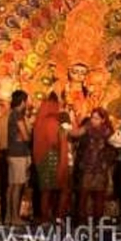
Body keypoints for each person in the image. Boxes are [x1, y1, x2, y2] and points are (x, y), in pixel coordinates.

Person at [32, 93, 71, 223]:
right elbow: (56, 141)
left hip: (41, 159)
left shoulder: (39, 121)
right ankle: (58, 217)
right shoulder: (53, 122)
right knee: (63, 189)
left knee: (46, 191)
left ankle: (45, 218)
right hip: (53, 157)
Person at [6, 90, 31, 225]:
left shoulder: (12, 114)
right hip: (19, 154)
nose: (27, 104)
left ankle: (9, 216)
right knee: (17, 186)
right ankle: (15, 217)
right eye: (26, 101)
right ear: (22, 102)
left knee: (12, 186)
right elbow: (25, 135)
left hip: (12, 153)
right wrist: (28, 135)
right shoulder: (17, 115)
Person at [0, 100, 11, 224]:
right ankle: (13, 213)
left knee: (4, 185)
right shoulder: (17, 120)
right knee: (15, 185)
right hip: (14, 153)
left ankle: (4, 215)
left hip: (3, 153)